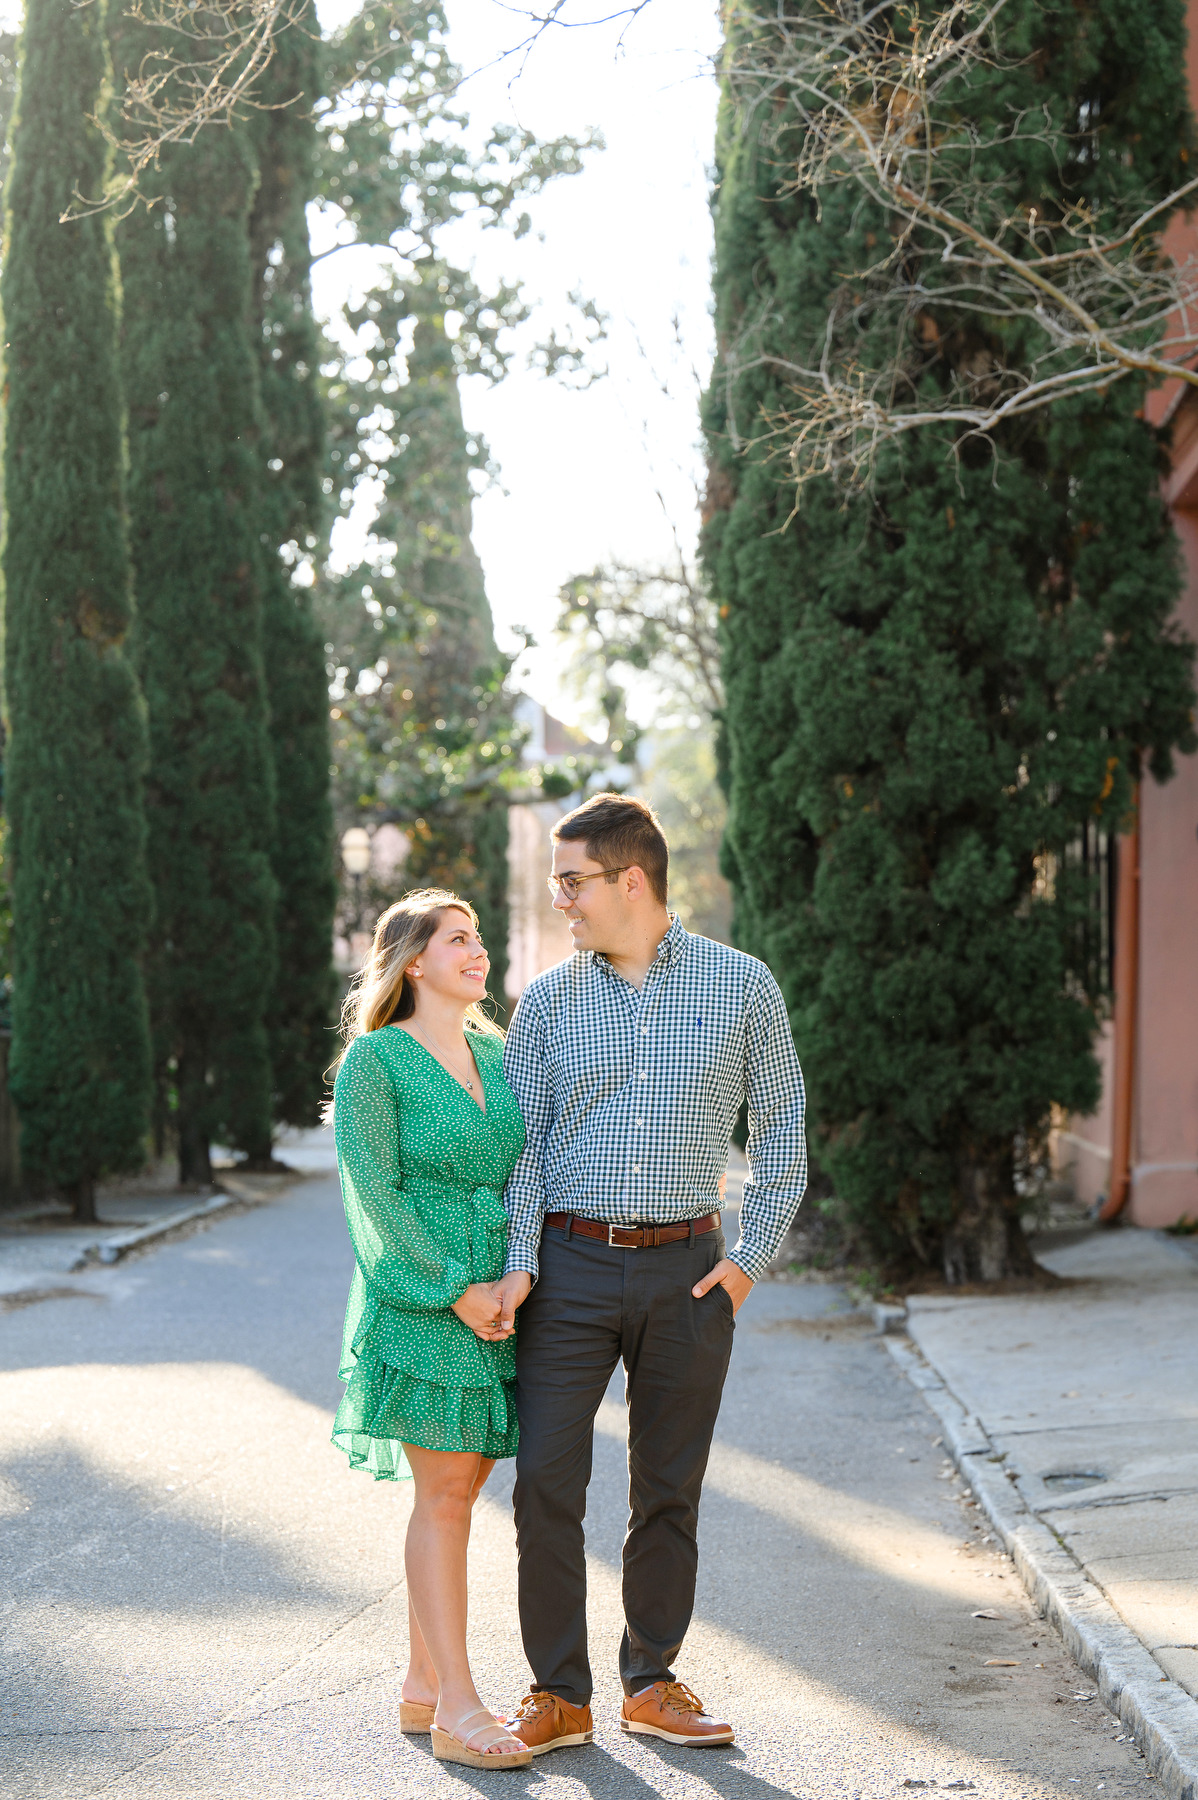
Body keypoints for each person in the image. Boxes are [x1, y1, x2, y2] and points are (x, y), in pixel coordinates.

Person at [491, 792, 807, 1754]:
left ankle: (650, 1680)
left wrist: (748, 1262)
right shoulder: (548, 998)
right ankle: (558, 1693)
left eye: (573, 881)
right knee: (546, 1480)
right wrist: (518, 1268)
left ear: (633, 880)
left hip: (689, 1273)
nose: (562, 901)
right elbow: (524, 1152)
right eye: (558, 883)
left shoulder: (741, 985)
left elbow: (784, 1132)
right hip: (570, 1266)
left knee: (667, 1486)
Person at [329, 889, 533, 1770]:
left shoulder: (499, 1049)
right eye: (458, 939)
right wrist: (455, 1288)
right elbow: (376, 1192)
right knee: (445, 1496)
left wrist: (515, 1275)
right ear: (414, 961)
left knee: (461, 1491)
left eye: (480, 937)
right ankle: (458, 1703)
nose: (477, 950)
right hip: (427, 1295)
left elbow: (532, 1165)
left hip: (509, 1294)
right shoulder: (377, 1061)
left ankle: (421, 1680)